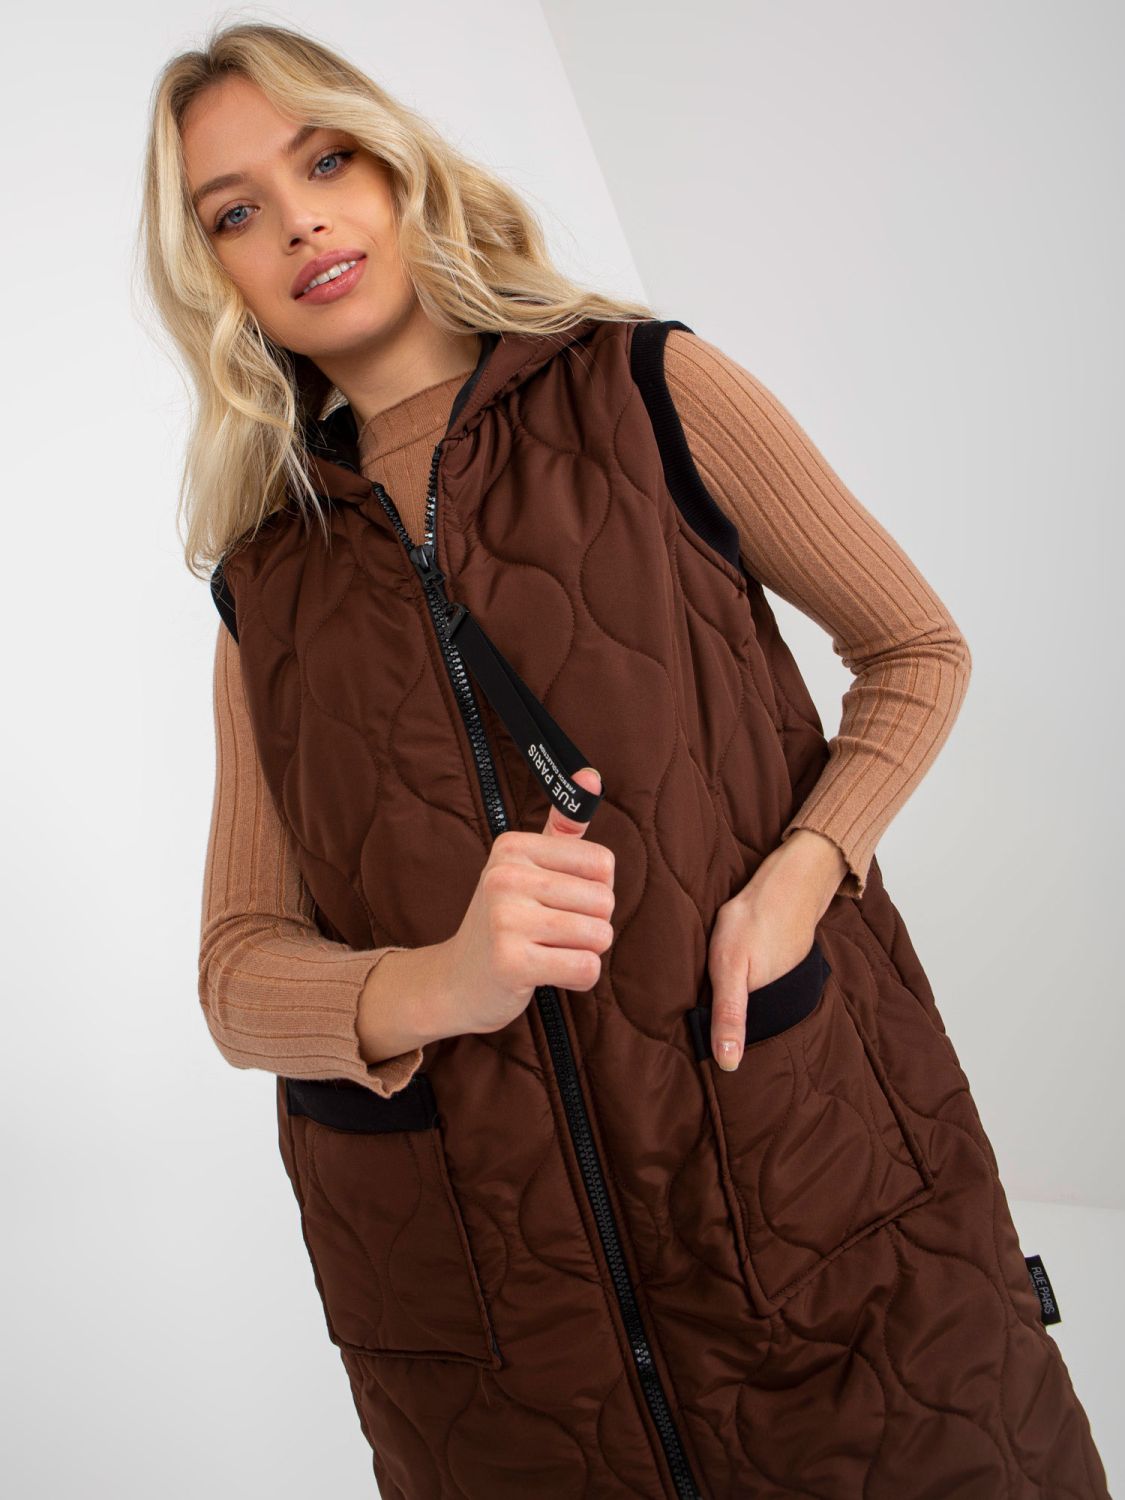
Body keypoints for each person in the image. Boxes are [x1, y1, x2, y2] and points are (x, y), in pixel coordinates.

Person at [139, 20, 1109, 1499]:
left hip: (795, 1181)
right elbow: (237, 973)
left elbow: (913, 649)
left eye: (325, 161)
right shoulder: (266, 582)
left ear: (396, 168)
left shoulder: (648, 390)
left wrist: (799, 878)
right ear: (211, 275)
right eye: (235, 212)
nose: (300, 222)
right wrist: (441, 984)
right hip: (499, 1308)